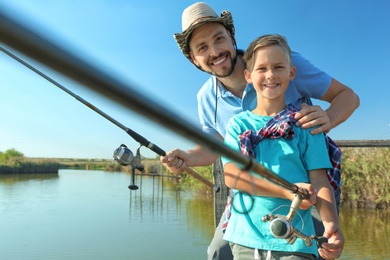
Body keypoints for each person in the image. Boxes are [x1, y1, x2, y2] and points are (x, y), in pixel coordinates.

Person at [161, 2, 359, 259]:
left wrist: (325, 120)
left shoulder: (280, 60)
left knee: (320, 245)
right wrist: (187, 158)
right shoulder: (206, 98)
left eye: (219, 39)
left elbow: (348, 97)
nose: (215, 51)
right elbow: (216, 147)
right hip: (252, 197)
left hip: (306, 191)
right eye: (202, 48)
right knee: (218, 252)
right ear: (194, 60)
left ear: (232, 38)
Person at [222, 33, 342, 260]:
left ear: (292, 73)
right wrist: (286, 191)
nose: (270, 75)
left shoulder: (305, 124)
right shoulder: (238, 125)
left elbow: (319, 181)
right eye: (261, 69)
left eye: (278, 67)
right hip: (244, 239)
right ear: (248, 75)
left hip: (297, 243)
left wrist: (331, 224)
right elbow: (232, 176)